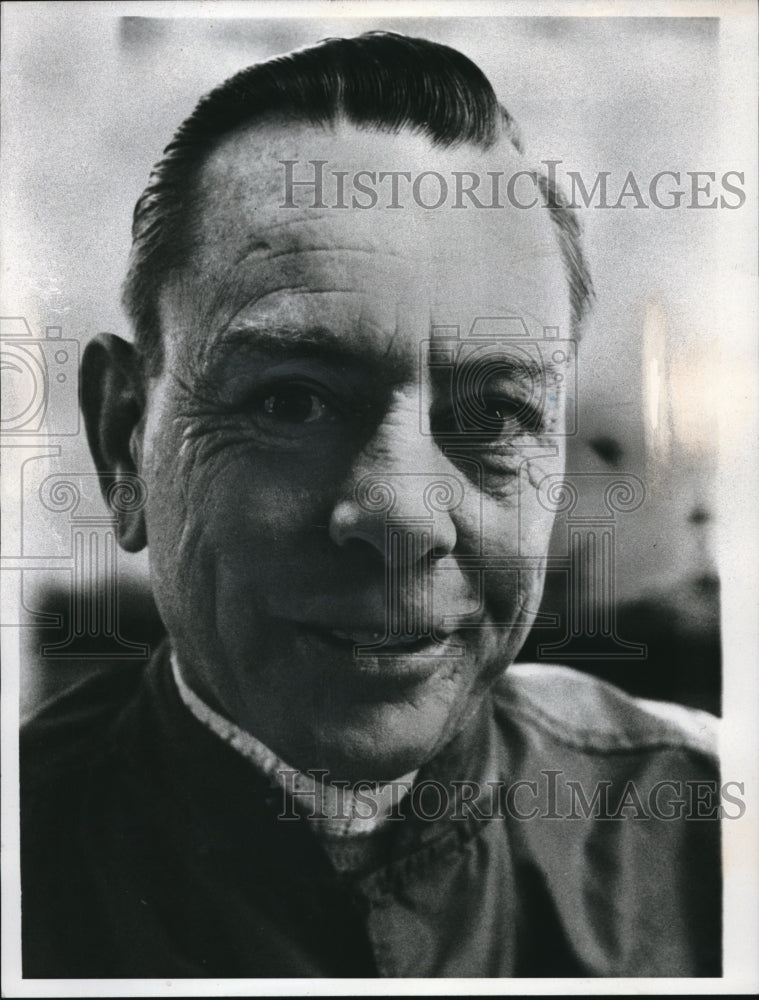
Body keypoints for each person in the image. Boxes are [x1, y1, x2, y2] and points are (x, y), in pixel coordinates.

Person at [20, 32, 720, 978]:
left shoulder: (708, 839)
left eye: (495, 413)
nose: (402, 517)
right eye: (290, 402)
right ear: (124, 443)